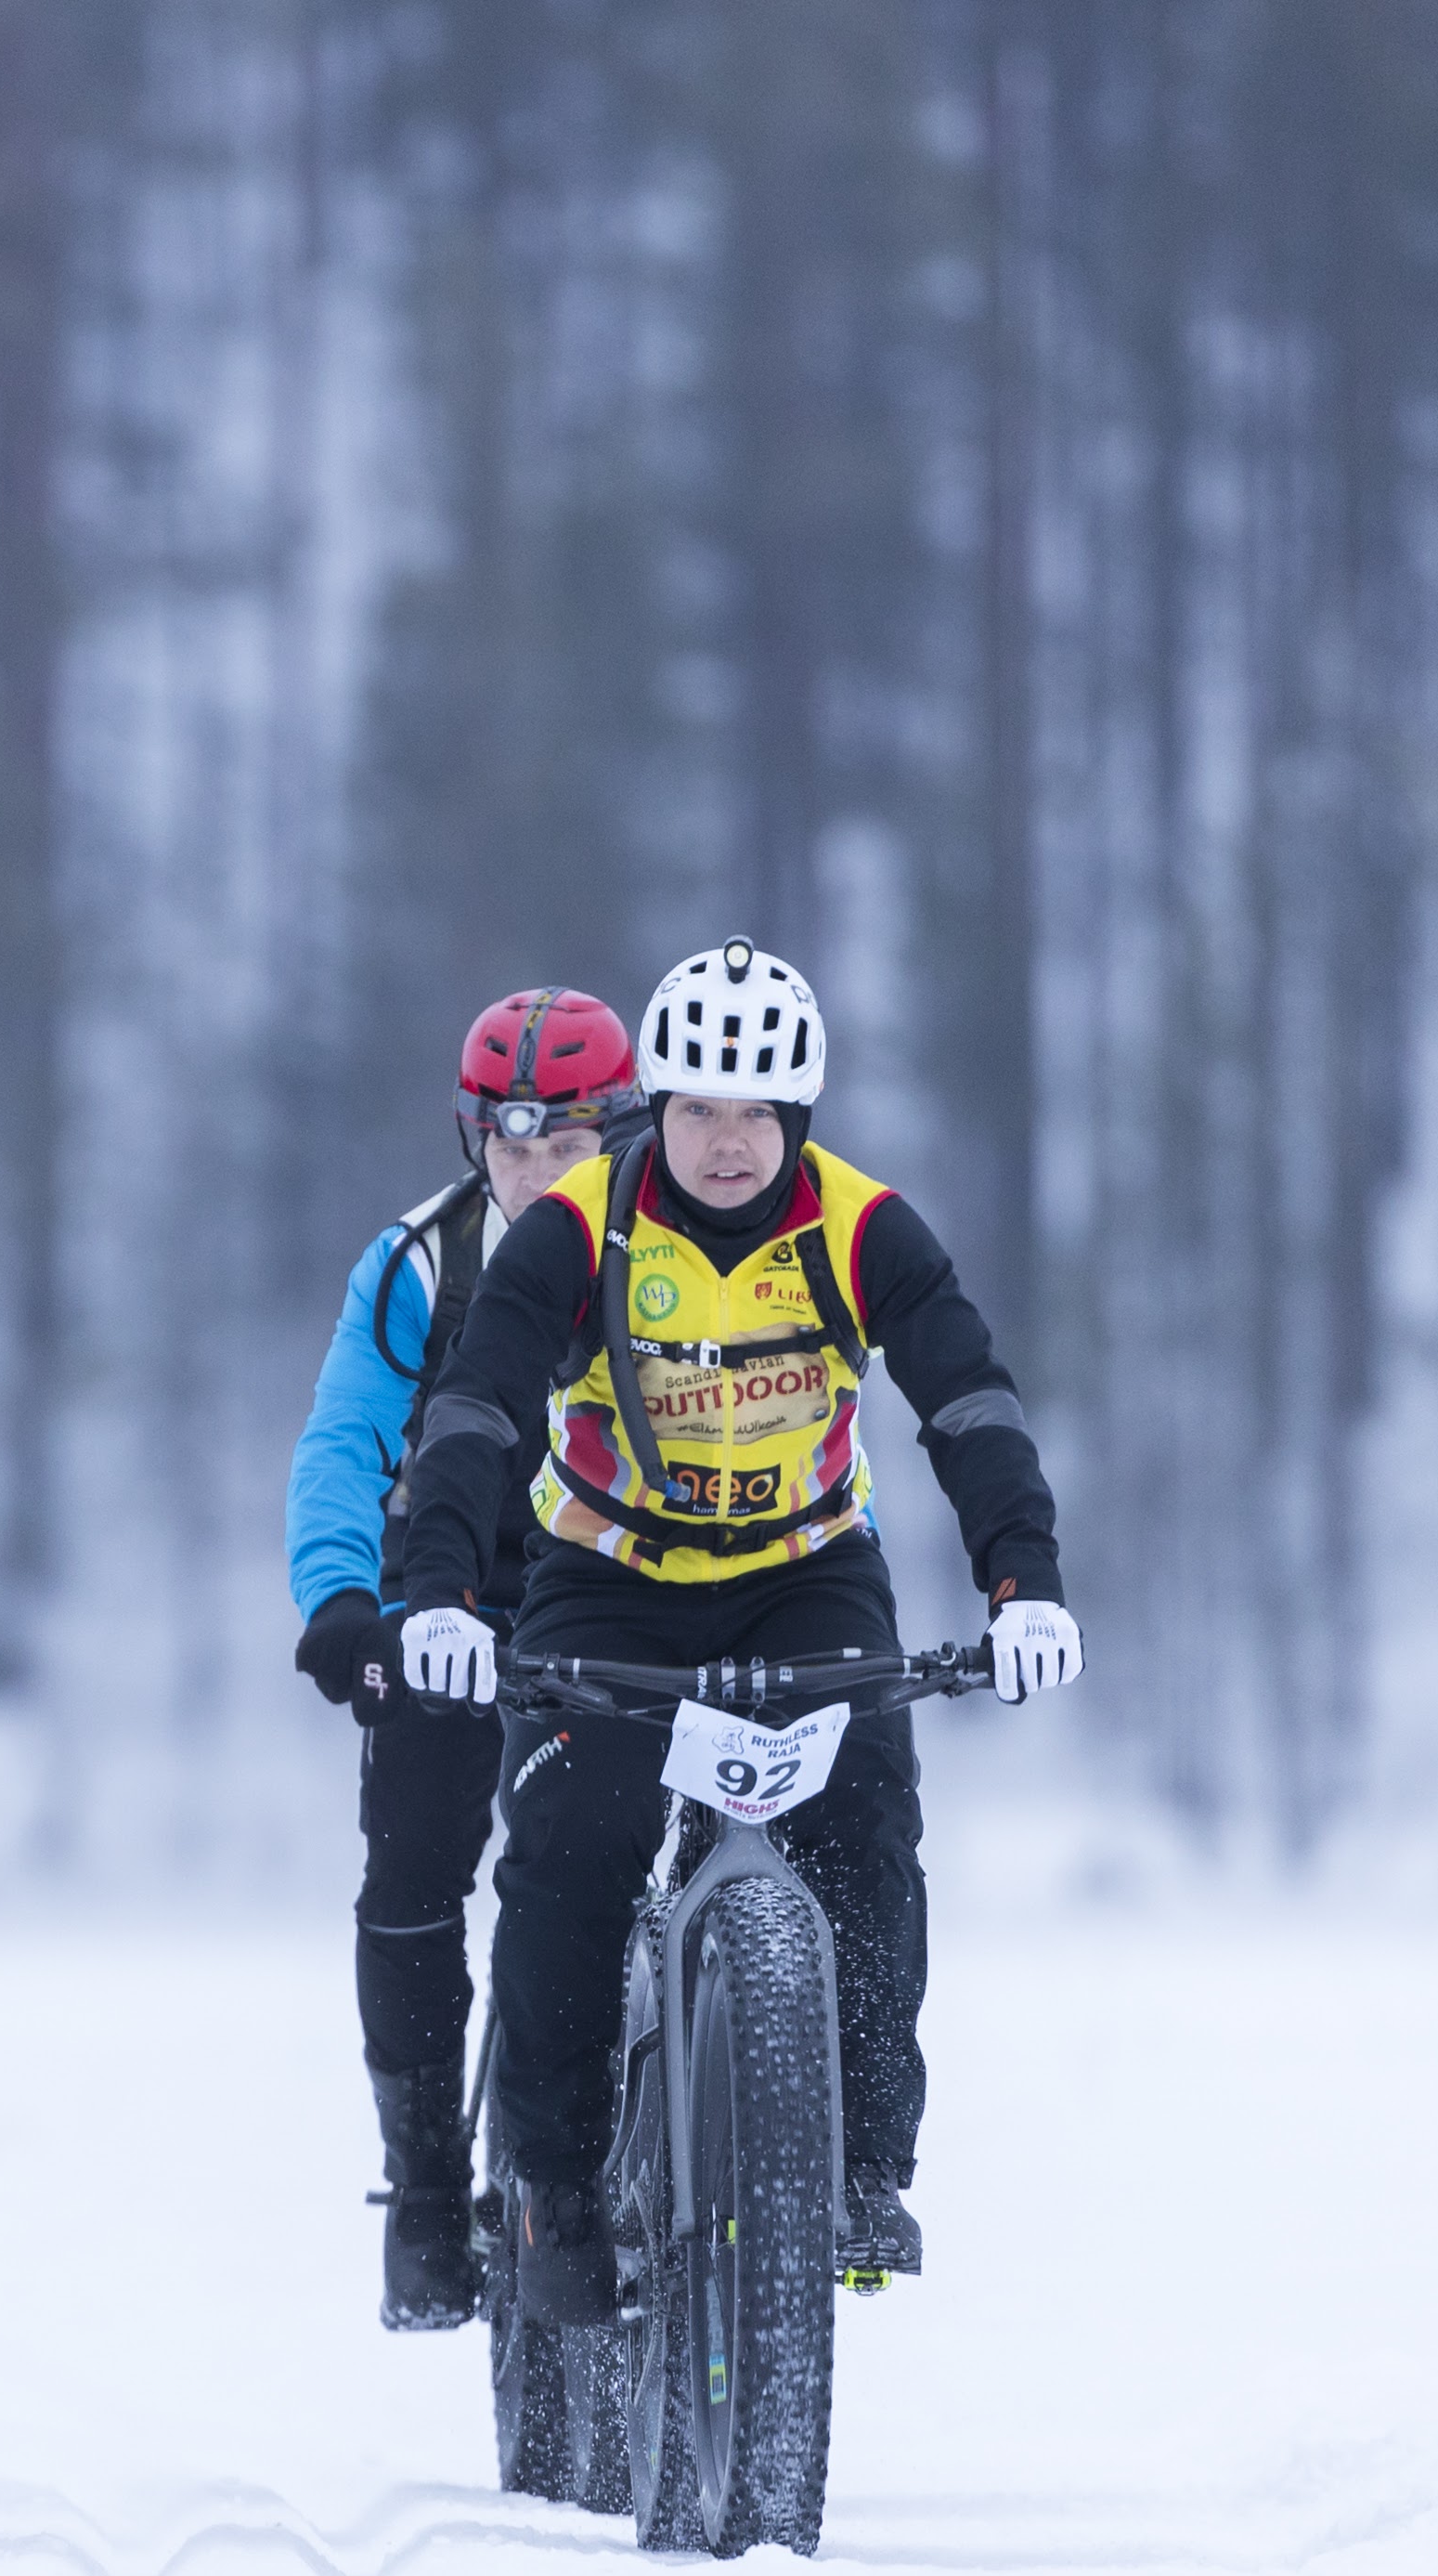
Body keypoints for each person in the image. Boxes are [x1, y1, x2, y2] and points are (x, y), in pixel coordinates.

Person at [391, 938, 1080, 2318]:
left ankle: (862, 2164)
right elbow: (478, 1403)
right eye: (700, 1107)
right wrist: (444, 1589)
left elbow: (968, 1401)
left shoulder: (862, 1228)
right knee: (571, 1843)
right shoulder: (577, 1226)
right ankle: (553, 2187)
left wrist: (1023, 1579)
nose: (726, 1141)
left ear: (799, 1115)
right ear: (657, 1106)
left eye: (756, 1112)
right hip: (607, 1575)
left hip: (802, 1570)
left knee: (865, 1820)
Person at [282, 990, 642, 2331]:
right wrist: (340, 1602)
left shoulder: (681, 1256)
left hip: (623, 1595)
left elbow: (794, 1430)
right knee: (413, 1871)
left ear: (623, 1138)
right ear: (473, 1140)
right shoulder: (418, 1264)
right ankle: (430, 2182)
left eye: (568, 1146)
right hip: (455, 1597)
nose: (537, 1173)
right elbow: (342, 1442)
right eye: (511, 1144)